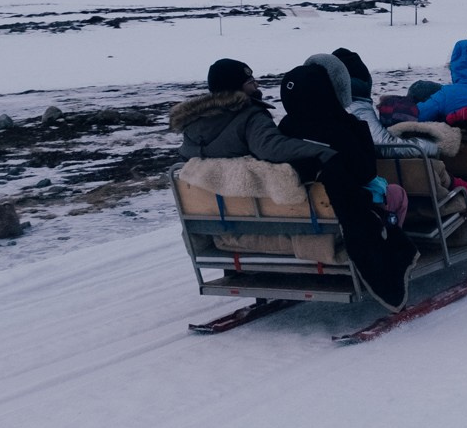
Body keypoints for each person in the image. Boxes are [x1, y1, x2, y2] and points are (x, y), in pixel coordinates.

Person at [278, 61, 417, 309]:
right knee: (397, 194)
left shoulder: (284, 127)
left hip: (296, 208)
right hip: (345, 205)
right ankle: (388, 249)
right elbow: (366, 173)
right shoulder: (341, 125)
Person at [170, 58, 335, 168]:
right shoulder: (250, 116)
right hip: (250, 202)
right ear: (236, 89)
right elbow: (272, 148)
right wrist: (323, 152)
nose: (257, 84)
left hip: (210, 201)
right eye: (250, 82)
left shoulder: (193, 119)